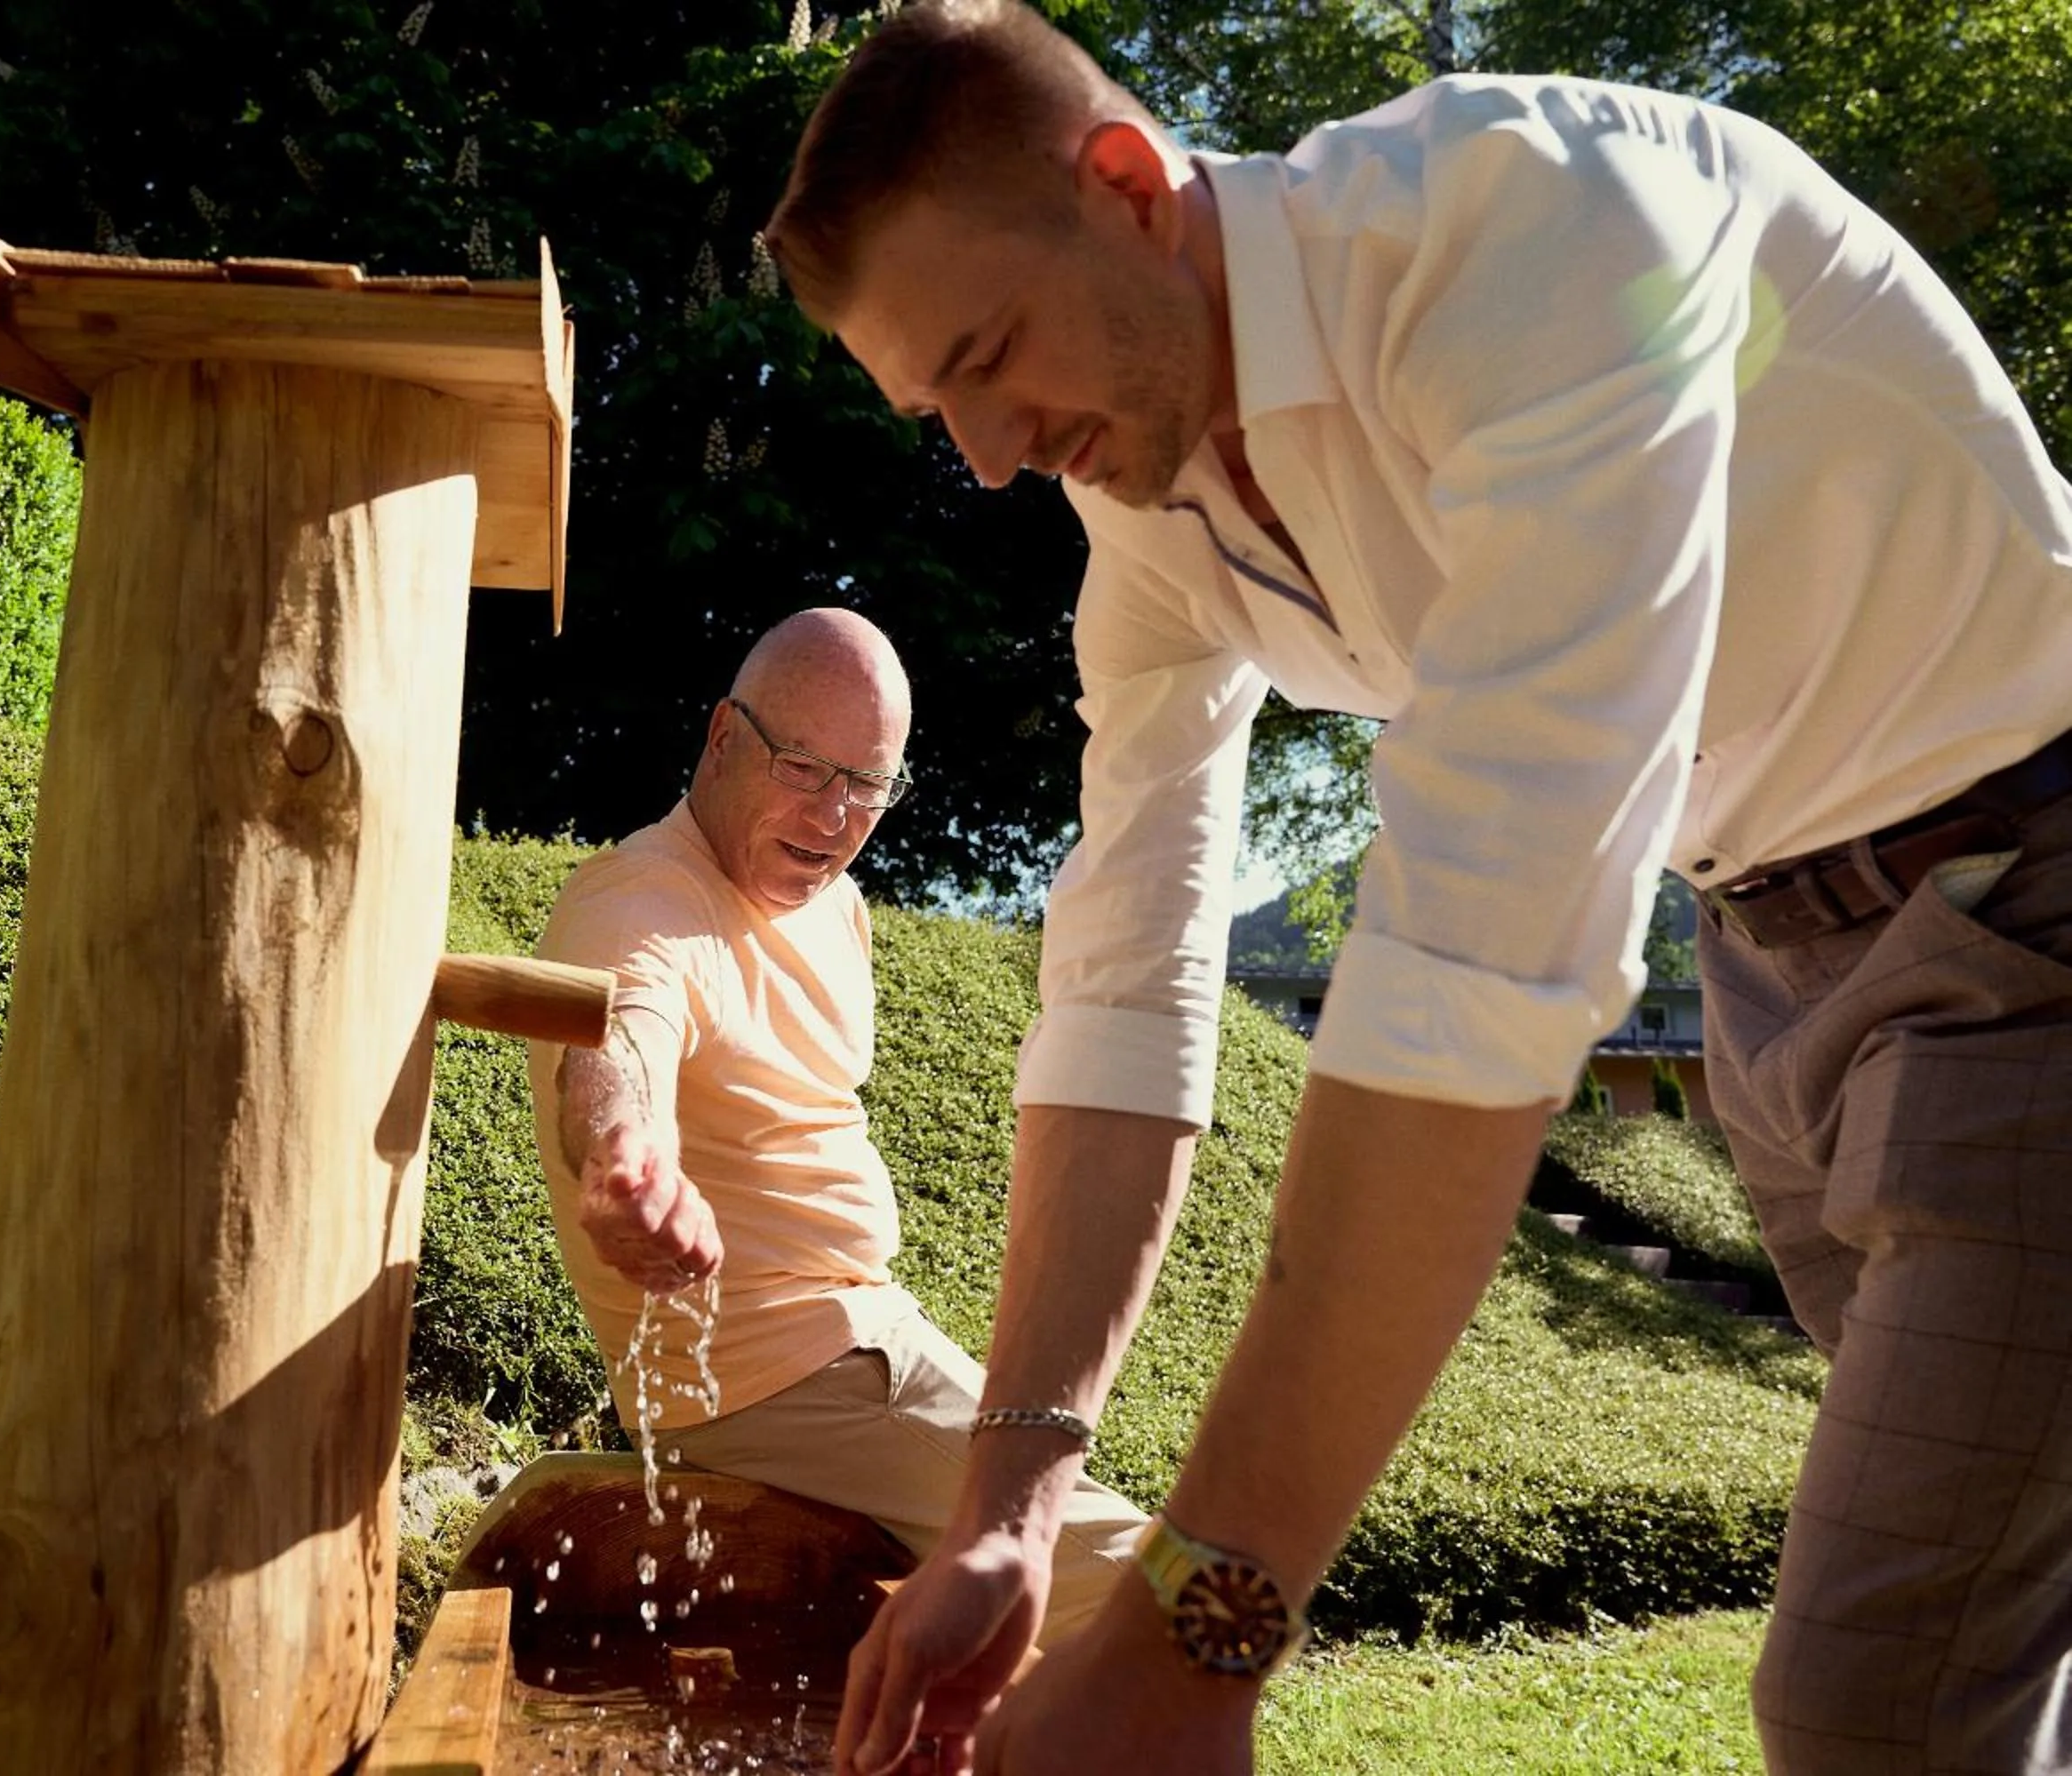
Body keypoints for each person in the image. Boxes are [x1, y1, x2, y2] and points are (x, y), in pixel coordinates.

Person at [762, 6, 2072, 1773]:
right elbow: (1126, 977)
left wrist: (1199, 1640)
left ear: (1133, 187)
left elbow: (1478, 948)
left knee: (1878, 1711)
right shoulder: (1153, 514)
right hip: (1769, 969)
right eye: (943, 409)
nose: (989, 454)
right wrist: (1008, 1506)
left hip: (2032, 906)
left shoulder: (1548, 235)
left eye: (992, 354)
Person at [526, 606, 1148, 1648]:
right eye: (806, 766)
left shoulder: (838, 903)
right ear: (723, 738)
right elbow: (617, 1038)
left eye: (869, 784)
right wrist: (627, 1161)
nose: (835, 815)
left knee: (1043, 1641)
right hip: (782, 1376)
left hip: (868, 1344)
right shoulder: (640, 902)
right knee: (1168, 1602)